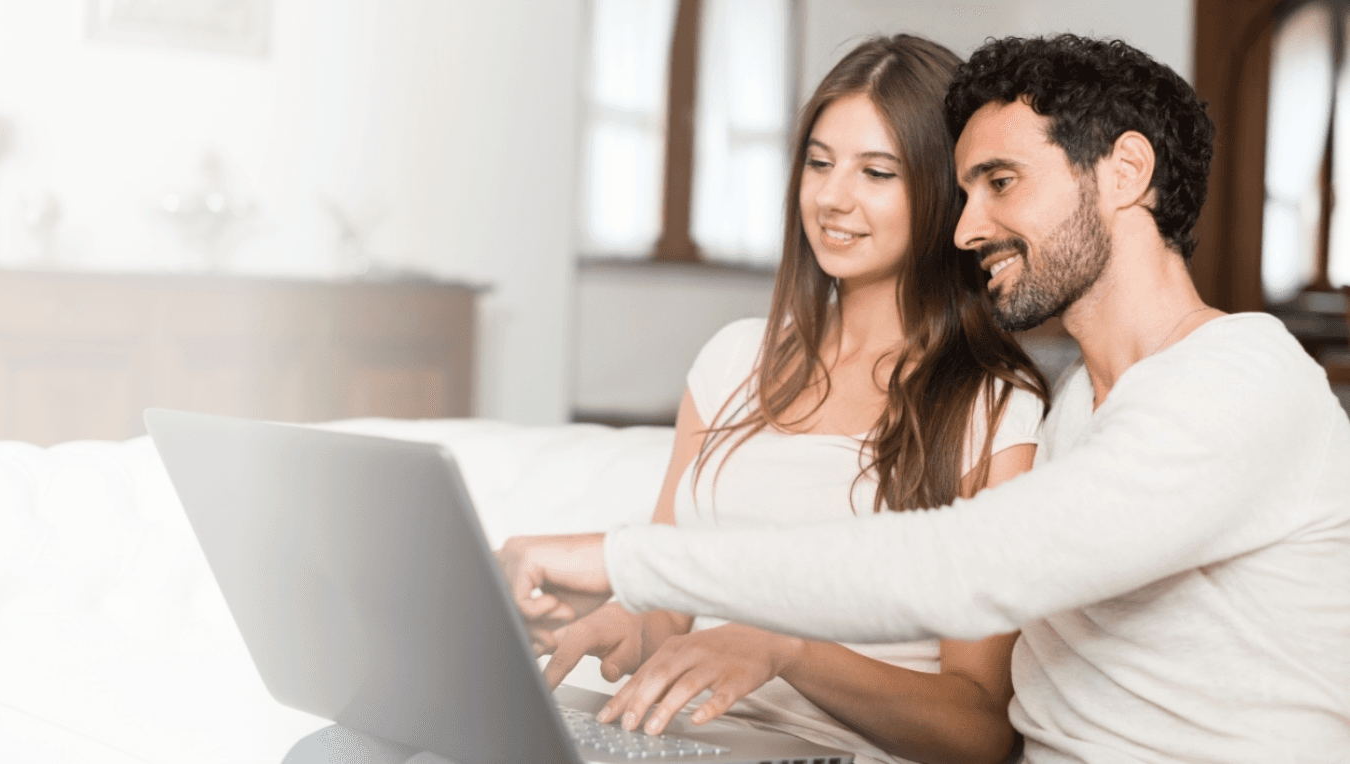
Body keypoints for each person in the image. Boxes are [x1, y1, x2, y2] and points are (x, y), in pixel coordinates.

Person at [500, 34, 1350, 762]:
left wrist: (628, 562)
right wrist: (642, 618)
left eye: (1001, 183)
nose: (964, 227)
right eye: (964, 188)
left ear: (1127, 170)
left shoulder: (1242, 380)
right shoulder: (1075, 411)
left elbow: (971, 565)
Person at [533, 35, 1049, 764]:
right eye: (818, 162)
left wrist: (787, 649)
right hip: (684, 741)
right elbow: (670, 611)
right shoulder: (733, 359)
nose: (832, 197)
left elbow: (979, 731)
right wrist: (618, 622)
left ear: (941, 193)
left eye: (876, 172)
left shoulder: (992, 409)